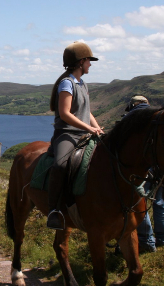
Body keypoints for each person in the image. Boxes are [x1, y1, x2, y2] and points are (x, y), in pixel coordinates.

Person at [47, 41, 104, 230]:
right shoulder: (67, 83)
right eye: (88, 60)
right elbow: (65, 114)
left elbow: (86, 112)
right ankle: (54, 210)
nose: (90, 64)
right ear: (81, 61)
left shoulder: (81, 83)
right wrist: (89, 129)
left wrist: (98, 129)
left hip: (83, 133)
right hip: (67, 135)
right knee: (60, 164)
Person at [124, 95, 164, 253]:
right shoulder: (156, 120)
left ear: (133, 105)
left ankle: (147, 241)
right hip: (158, 168)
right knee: (160, 202)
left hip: (141, 169)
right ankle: (163, 239)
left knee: (139, 203)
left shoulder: (131, 119)